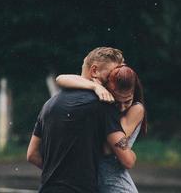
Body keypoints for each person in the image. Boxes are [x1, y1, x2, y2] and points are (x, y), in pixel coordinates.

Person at [27, 47, 137, 193]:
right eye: (111, 74)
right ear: (94, 71)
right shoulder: (103, 105)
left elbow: (32, 154)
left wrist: (60, 175)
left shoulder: (49, 104)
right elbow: (127, 160)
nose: (115, 79)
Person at [56, 65, 147, 193]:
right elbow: (61, 79)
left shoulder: (136, 109)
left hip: (116, 186)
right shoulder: (102, 101)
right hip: (95, 184)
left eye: (127, 101)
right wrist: (95, 86)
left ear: (134, 92)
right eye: (117, 101)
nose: (121, 108)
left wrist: (132, 155)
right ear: (108, 90)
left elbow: (107, 148)